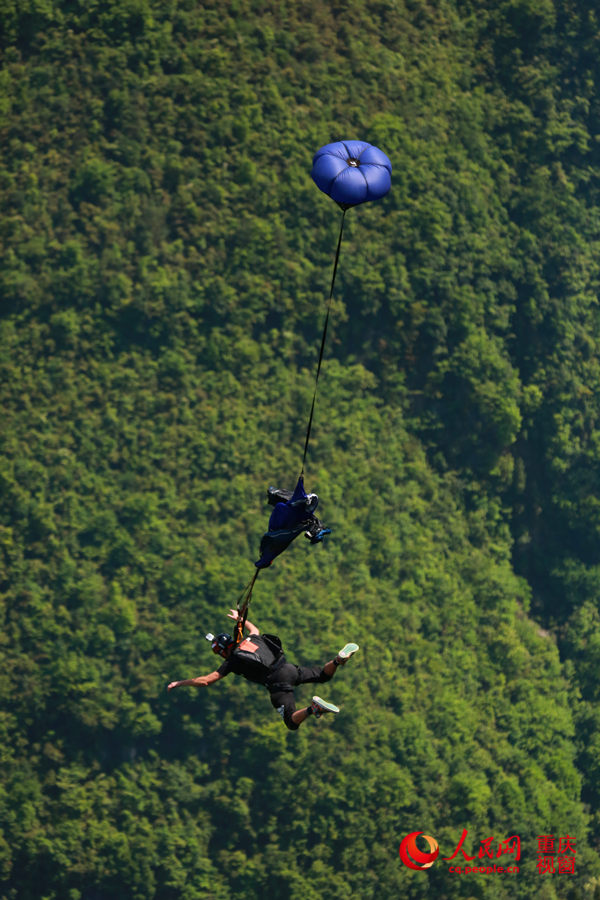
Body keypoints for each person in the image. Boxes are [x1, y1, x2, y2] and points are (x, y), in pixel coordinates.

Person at [167, 609, 358, 730]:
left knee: (291, 722)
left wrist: (180, 683)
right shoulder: (250, 640)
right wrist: (241, 619)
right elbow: (255, 629)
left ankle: (312, 708)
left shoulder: (233, 660)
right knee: (323, 676)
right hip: (288, 669)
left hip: (277, 684)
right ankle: (338, 659)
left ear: (223, 652)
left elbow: (207, 680)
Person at [255, 474, 331, 569]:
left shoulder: (307, 516)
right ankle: (266, 559)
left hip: (280, 531)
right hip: (280, 530)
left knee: (284, 506)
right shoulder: (303, 512)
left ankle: (266, 559)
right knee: (284, 505)